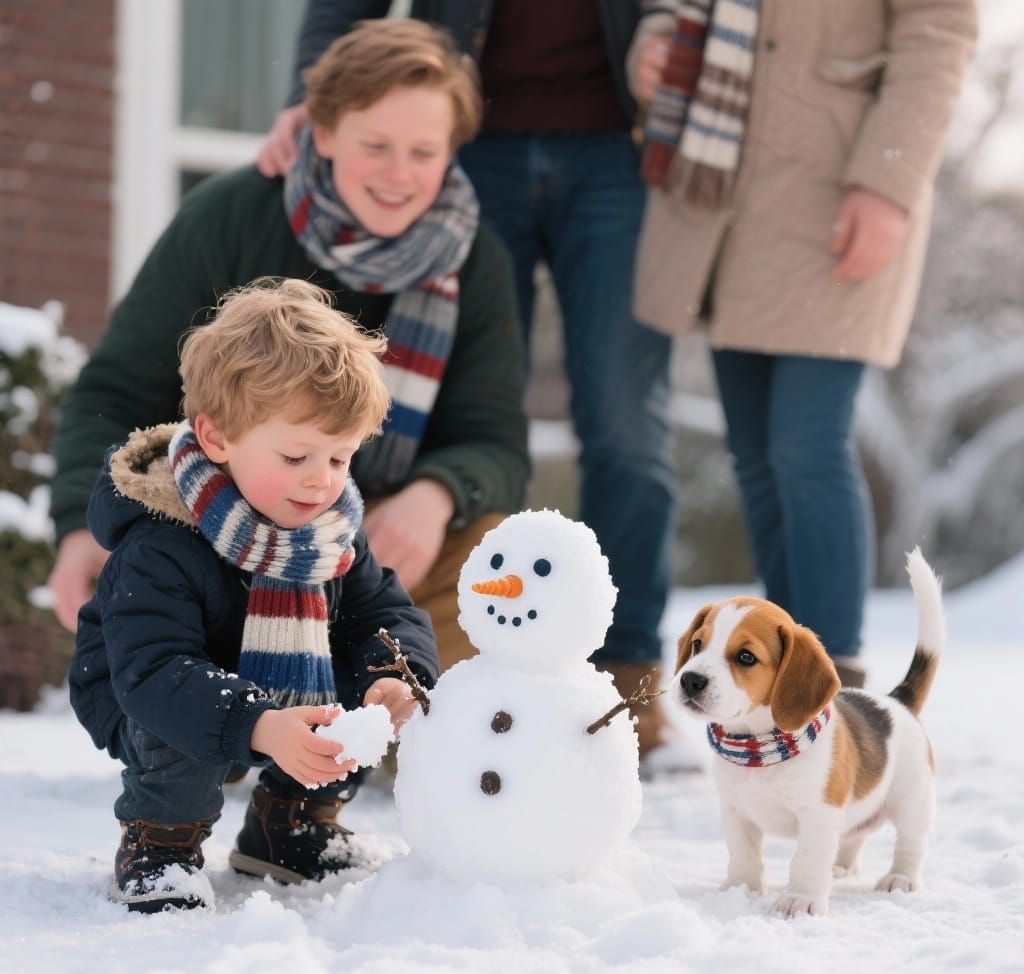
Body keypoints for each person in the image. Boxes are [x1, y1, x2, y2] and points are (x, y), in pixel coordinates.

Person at [257, 1, 685, 765]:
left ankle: (625, 685)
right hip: (470, 134)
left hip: (618, 143)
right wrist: (308, 92)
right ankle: (497, 672)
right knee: (477, 411)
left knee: (626, 425)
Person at [48, 20, 528, 677]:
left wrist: (438, 493)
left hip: (372, 563)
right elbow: (114, 394)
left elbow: (497, 443)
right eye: (376, 144)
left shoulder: (475, 264)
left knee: (502, 566)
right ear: (323, 132)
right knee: (181, 706)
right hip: (213, 543)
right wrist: (80, 524)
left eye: (423, 151)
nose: (399, 174)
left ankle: (390, 705)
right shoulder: (232, 218)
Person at [629, 0, 976, 686]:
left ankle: (834, 680)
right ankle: (782, 684)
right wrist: (656, 37)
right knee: (758, 453)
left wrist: (888, 182)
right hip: (724, 195)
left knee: (806, 445)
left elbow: (940, 28)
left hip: (837, 186)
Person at [69, 278, 439, 911]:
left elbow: (383, 610)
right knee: (180, 728)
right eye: (297, 456)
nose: (321, 481)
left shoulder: (330, 534)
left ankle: (290, 826)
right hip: (149, 692)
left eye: (340, 458)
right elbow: (153, 670)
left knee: (357, 692)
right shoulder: (161, 541)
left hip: (271, 684)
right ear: (217, 439)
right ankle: (162, 843)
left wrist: (392, 673)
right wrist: (258, 724)